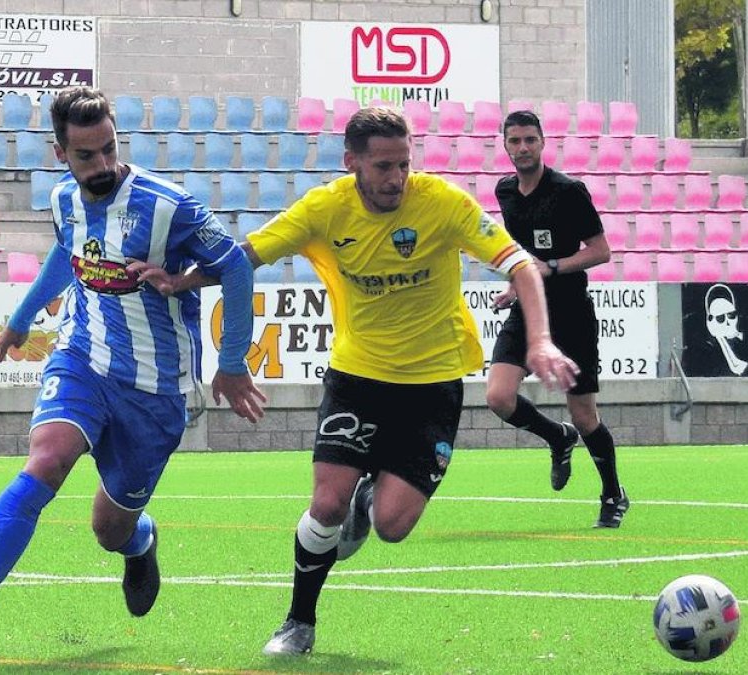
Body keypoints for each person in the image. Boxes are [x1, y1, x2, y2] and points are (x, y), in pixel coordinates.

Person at [128, 107, 578, 656]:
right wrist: (182, 281)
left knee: (391, 525)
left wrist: (539, 341)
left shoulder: (443, 203)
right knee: (325, 505)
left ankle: (371, 502)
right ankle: (298, 622)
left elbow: (521, 266)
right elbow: (244, 255)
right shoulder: (324, 209)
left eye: (404, 165)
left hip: (433, 383)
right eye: (384, 166)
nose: (396, 178)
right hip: (357, 377)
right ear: (353, 163)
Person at [0, 87, 266, 649]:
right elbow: (69, 257)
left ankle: (140, 543)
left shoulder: (169, 206)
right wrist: (20, 319)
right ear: (60, 153)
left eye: (109, 149)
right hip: (82, 358)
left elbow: (235, 267)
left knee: (109, 530)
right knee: (47, 460)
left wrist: (232, 363)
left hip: (155, 388)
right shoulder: (64, 198)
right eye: (87, 155)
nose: (103, 165)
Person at [486, 109, 629, 528]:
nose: (523, 147)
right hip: (527, 310)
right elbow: (519, 253)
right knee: (498, 397)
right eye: (515, 141)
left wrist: (550, 266)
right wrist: (515, 285)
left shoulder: (568, 191)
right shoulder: (505, 192)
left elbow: (600, 251)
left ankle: (612, 493)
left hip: (570, 314)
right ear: (506, 145)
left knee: (585, 416)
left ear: (543, 142)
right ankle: (556, 436)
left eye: (530, 139)